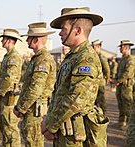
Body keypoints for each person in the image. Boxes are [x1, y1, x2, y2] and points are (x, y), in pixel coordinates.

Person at [41, 7, 109, 147]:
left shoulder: (86, 58)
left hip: (75, 136)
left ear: (77, 30)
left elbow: (76, 98)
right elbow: (60, 93)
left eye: (63, 28)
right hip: (65, 129)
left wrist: (51, 125)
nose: (60, 33)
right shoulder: (73, 56)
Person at [13, 22, 56, 147]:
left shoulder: (43, 59)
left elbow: (35, 89)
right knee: (29, 140)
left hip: (35, 110)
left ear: (36, 39)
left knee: (33, 142)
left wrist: (20, 108)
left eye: (29, 38)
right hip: (32, 108)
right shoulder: (37, 58)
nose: (26, 40)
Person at [0, 28, 22, 146]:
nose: (2, 42)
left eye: (4, 39)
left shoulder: (14, 57)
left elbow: (9, 78)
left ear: (10, 41)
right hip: (4, 97)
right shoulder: (7, 56)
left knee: (11, 129)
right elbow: (1, 76)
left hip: (9, 98)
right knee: (4, 127)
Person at [112, 40, 135, 129]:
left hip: (126, 86)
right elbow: (119, 72)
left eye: (121, 47)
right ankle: (121, 122)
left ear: (126, 47)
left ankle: (130, 125)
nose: (120, 49)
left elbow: (128, 73)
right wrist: (115, 79)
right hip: (120, 85)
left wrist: (118, 81)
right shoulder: (122, 59)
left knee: (127, 105)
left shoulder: (130, 59)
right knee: (120, 104)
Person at [92, 39, 111, 114]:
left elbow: (107, 69)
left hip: (100, 82)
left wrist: (107, 79)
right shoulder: (94, 56)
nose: (93, 49)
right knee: (95, 101)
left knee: (101, 100)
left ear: (98, 47)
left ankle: (104, 115)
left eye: (94, 47)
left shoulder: (101, 57)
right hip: (95, 82)